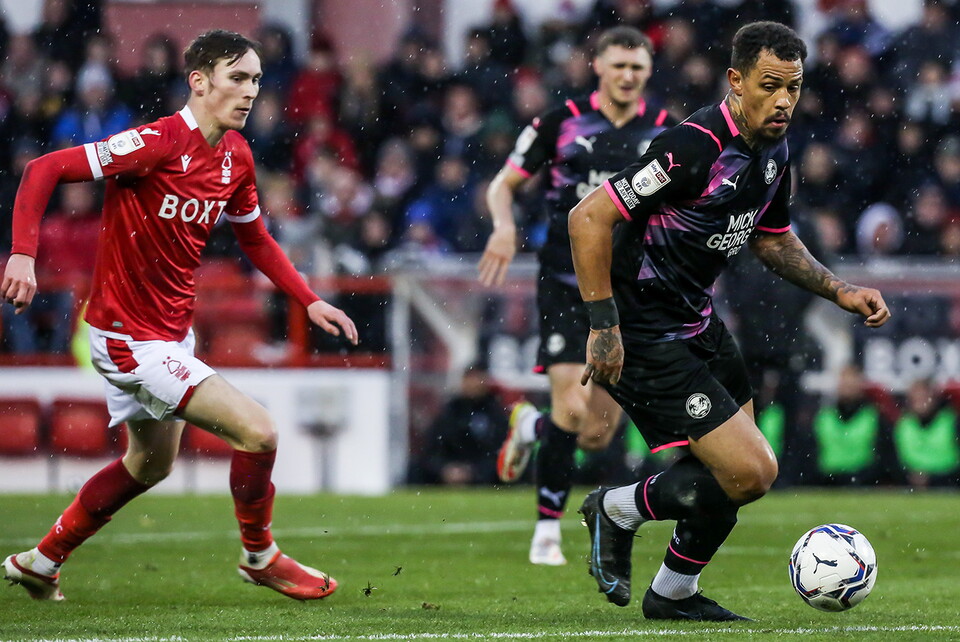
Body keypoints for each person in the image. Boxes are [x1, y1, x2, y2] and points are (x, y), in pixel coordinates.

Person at [1, 30, 358, 602]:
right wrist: (23, 252)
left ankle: (42, 561)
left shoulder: (235, 156)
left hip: (170, 336)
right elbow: (41, 170)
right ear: (199, 80)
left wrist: (308, 298)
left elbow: (256, 239)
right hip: (127, 339)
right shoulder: (155, 142)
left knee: (148, 466)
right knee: (259, 431)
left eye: (257, 80)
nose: (250, 91)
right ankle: (260, 555)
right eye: (238, 77)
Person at [567, 21, 890, 620]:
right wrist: (604, 325)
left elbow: (771, 239)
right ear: (737, 82)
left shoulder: (775, 145)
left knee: (731, 476)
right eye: (771, 85)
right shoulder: (694, 147)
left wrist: (839, 290)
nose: (785, 100)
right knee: (752, 471)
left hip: (697, 323)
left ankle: (670, 593)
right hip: (642, 332)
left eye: (794, 87)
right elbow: (588, 218)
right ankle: (618, 509)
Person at [478, 26, 674, 566]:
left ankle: (530, 426)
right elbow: (503, 183)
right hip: (564, 283)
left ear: (648, 72)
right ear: (599, 67)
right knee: (571, 402)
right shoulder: (559, 123)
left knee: (593, 432)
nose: (628, 76)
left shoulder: (665, 132)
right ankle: (546, 531)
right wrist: (501, 225)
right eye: (618, 66)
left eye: (637, 68)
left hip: (626, 292)